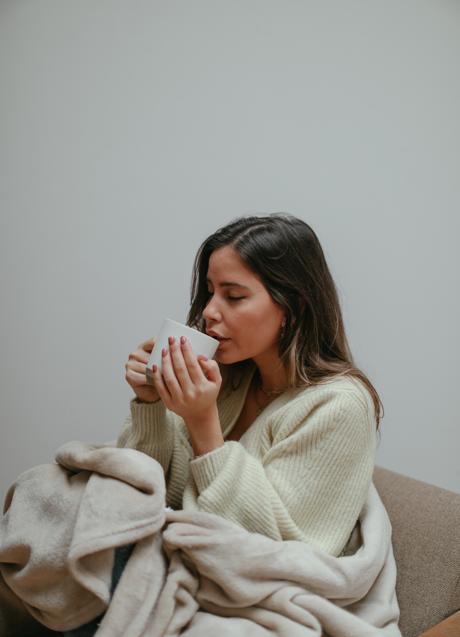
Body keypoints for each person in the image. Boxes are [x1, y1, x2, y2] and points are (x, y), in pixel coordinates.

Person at [65, 212, 383, 636]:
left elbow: (274, 552)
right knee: (63, 501)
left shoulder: (339, 405)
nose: (210, 312)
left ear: (294, 306)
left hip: (258, 591)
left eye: (233, 297)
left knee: (98, 558)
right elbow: (148, 491)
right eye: (210, 292)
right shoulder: (229, 377)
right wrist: (151, 405)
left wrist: (204, 427)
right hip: (180, 564)